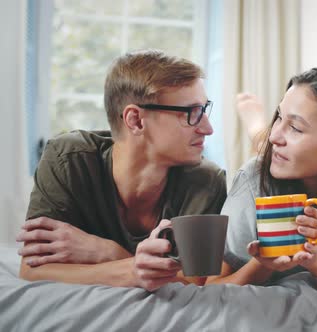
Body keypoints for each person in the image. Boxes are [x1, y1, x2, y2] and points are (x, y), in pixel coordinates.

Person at [137, 67, 317, 289]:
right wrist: (264, 264)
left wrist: (316, 259)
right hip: (267, 173)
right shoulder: (253, 179)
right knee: (264, 152)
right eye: (278, 117)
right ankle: (255, 122)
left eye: (295, 127)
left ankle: (257, 123)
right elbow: (212, 286)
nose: (275, 135)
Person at [16, 49, 227, 290]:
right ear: (135, 120)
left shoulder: (207, 182)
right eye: (192, 113)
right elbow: (33, 269)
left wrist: (107, 252)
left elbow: (195, 286)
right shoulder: (69, 159)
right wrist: (133, 266)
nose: (208, 128)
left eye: (204, 109)